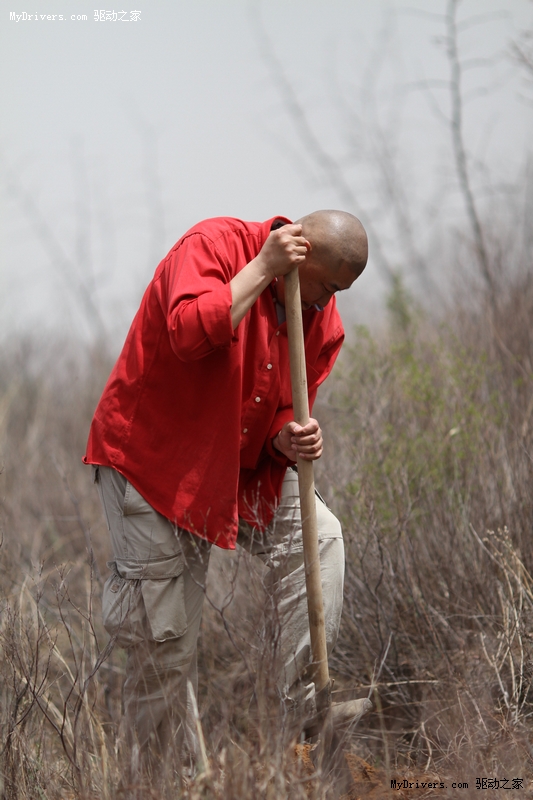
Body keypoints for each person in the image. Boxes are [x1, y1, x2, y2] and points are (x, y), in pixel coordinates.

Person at [84, 210, 368, 782]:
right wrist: (264, 268)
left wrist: (287, 433)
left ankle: (303, 720)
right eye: (328, 285)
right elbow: (189, 334)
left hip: (234, 468)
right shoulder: (213, 245)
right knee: (164, 647)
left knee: (320, 535)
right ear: (300, 253)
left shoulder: (318, 314)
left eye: (339, 291)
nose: (328, 301)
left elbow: (287, 397)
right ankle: (158, 785)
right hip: (154, 467)